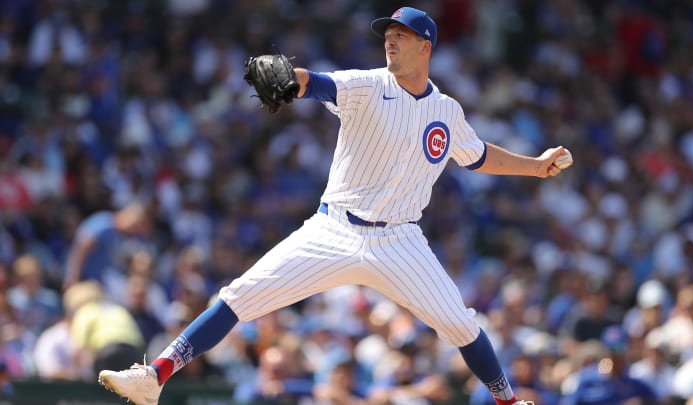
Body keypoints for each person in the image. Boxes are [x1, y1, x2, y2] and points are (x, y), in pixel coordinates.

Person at [98, 6, 571, 405]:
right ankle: (154, 376)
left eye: (401, 36)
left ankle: (508, 401)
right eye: (387, 34)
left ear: (425, 46)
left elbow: (479, 155)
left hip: (399, 238)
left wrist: (536, 166)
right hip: (334, 229)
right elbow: (316, 83)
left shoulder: (446, 110)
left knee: (461, 323)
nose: (390, 42)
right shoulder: (369, 85)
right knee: (240, 296)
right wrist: (291, 80)